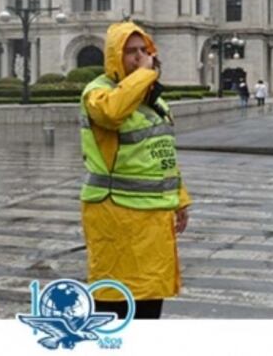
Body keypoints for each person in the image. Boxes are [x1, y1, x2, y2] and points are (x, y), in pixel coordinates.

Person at [80, 21, 191, 320]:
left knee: (150, 300)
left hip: (153, 220)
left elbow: (162, 154)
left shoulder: (153, 100)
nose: (140, 57)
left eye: (144, 50)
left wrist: (180, 199)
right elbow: (111, 112)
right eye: (131, 52)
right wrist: (144, 75)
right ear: (115, 56)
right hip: (116, 217)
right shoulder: (98, 92)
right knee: (116, 304)